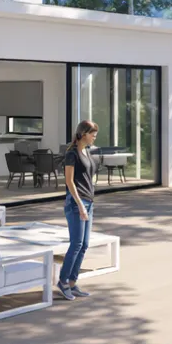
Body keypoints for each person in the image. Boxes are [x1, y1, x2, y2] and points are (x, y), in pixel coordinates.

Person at [59, 120, 99, 300]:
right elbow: (69, 181)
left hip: (88, 202)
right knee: (76, 244)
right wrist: (80, 204)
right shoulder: (72, 154)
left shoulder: (87, 152)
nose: (94, 137)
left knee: (84, 245)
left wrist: (88, 201)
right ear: (83, 134)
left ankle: (73, 282)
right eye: (92, 133)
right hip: (77, 203)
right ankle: (63, 281)